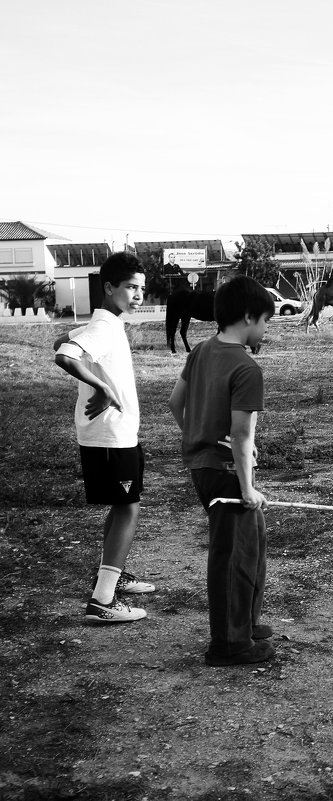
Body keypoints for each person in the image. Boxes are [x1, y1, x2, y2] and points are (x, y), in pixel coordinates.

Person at [167, 276, 276, 666]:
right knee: (233, 554)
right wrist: (247, 487)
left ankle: (246, 620)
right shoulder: (247, 368)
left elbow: (175, 402)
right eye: (265, 321)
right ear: (248, 317)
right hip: (227, 472)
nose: (266, 329)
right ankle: (229, 644)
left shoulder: (200, 350)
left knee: (253, 540)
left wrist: (198, 437)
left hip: (205, 467)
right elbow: (243, 434)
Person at [53, 252, 155, 624]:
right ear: (109, 287)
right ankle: (102, 600)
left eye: (142, 288)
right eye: (130, 287)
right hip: (111, 436)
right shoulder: (105, 327)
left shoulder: (105, 324)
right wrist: (101, 386)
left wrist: (73, 339)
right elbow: (64, 356)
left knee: (121, 504)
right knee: (129, 507)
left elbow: (60, 342)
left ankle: (110, 574)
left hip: (114, 434)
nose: (138, 294)